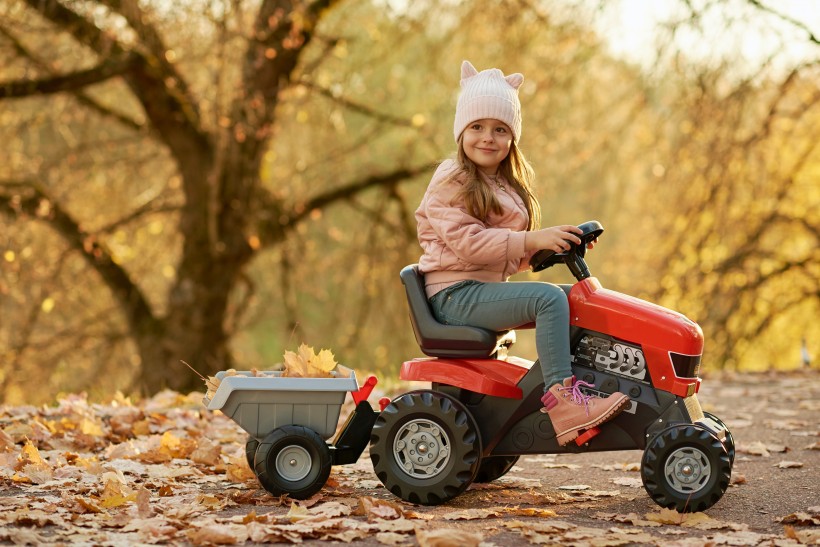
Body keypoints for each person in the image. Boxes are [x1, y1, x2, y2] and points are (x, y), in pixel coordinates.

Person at [415, 60, 629, 446]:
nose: (488, 137)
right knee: (548, 299)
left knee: (573, 299)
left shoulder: (502, 184)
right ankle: (564, 400)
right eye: (477, 127)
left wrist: (558, 243)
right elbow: (469, 244)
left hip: (479, 291)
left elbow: (505, 255)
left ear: (512, 137)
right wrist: (532, 240)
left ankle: (591, 385)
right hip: (454, 295)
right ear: (462, 130)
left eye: (500, 129)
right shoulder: (452, 177)